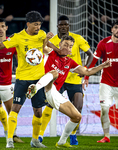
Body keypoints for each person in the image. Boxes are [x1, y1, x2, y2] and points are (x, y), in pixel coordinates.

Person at [0, 11, 63, 148]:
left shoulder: (41, 34)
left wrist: (47, 41)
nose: (38, 27)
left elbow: (44, 50)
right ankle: (9, 140)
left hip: (38, 80)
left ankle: (35, 140)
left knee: (38, 111)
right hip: (23, 79)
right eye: (35, 25)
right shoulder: (17, 37)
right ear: (28, 24)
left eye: (40, 25)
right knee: (15, 109)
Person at [26, 35, 111, 148]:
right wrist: (47, 38)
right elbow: (43, 46)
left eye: (70, 46)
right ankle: (35, 88)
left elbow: (87, 72)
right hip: (42, 87)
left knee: (77, 117)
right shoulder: (51, 53)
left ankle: (61, 142)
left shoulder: (70, 62)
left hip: (53, 93)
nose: (67, 48)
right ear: (60, 44)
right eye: (65, 45)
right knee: (54, 73)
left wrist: (102, 66)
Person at [38, 15, 93, 145]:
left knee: (78, 107)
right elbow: (43, 48)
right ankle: (40, 135)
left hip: (74, 79)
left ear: (69, 26)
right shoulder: (53, 40)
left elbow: (90, 54)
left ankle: (73, 135)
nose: (63, 27)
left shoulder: (77, 39)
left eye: (65, 24)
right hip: (57, 79)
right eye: (61, 25)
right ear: (57, 26)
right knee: (49, 106)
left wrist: (85, 69)